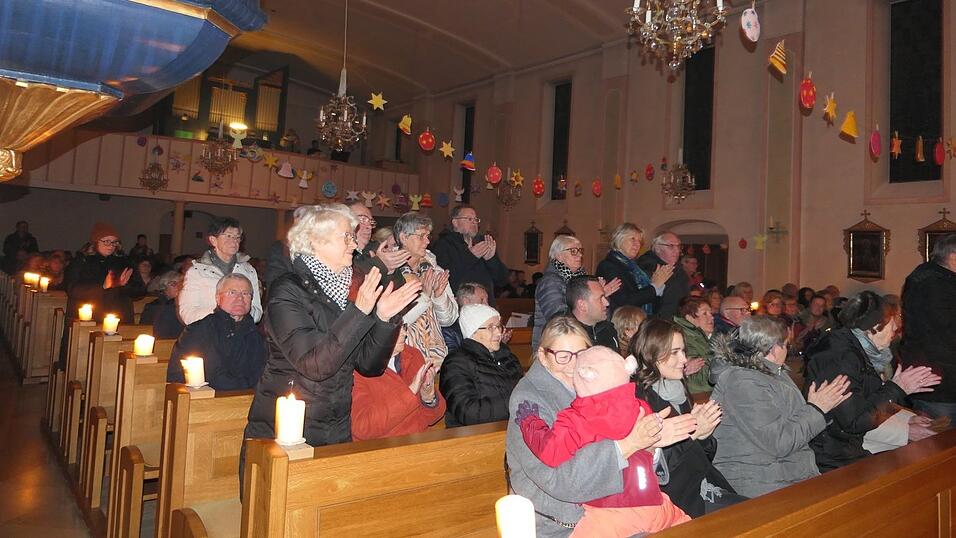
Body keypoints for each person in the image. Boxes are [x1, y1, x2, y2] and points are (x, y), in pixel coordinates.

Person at [242, 203, 421, 452]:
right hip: (286, 427)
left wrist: (383, 318)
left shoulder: (345, 289)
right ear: (316, 241)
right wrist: (360, 311)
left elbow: (368, 366)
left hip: (336, 423)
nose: (354, 243)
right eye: (346, 236)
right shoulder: (287, 290)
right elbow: (315, 365)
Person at [506, 315, 677, 535]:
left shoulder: (599, 384)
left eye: (580, 354)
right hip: (563, 523)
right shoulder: (528, 402)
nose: (574, 365)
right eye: (562, 356)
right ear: (543, 356)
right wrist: (628, 445)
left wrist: (651, 445)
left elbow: (634, 446)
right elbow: (559, 481)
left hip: (618, 507)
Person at [709, 316, 851, 497]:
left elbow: (789, 422)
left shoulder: (770, 372)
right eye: (786, 345)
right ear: (775, 348)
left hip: (783, 473)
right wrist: (817, 409)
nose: (787, 350)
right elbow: (779, 442)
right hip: (759, 481)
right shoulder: (742, 381)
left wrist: (820, 407)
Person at [805, 291, 941, 472]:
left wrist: (907, 416)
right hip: (832, 458)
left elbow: (871, 400)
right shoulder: (840, 359)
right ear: (875, 327)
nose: (896, 330)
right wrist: (898, 388)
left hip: (848, 448)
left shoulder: (858, 351)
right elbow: (854, 421)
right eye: (893, 323)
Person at [629, 318, 746, 517]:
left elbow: (701, 457)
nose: (684, 359)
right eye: (674, 352)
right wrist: (693, 434)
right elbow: (656, 472)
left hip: (702, 486)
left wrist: (703, 436)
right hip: (675, 502)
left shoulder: (677, 390)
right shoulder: (639, 401)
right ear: (652, 354)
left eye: (683, 351)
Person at [58, 222, 145, 368]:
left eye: (114, 242)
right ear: (95, 242)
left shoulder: (124, 262)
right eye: (106, 241)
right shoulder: (81, 261)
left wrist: (124, 286)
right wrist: (103, 286)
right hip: (89, 319)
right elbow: (73, 289)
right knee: (84, 362)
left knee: (112, 364)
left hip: (119, 317)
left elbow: (140, 291)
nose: (111, 245)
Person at [167, 274, 266, 390]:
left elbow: (261, 372)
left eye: (245, 293)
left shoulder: (255, 334)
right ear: (218, 298)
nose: (240, 298)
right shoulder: (199, 331)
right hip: (206, 400)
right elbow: (211, 375)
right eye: (232, 292)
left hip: (247, 398)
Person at [350, 325, 446, 440]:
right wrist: (410, 391)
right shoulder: (357, 368)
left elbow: (433, 418)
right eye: (396, 329)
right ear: (376, 332)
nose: (404, 333)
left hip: (421, 443)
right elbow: (362, 428)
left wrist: (429, 398)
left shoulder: (413, 355)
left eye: (404, 327)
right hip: (384, 451)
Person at [900, 233, 956, 423]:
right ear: (953, 256)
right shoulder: (933, 286)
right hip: (940, 382)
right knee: (940, 442)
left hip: (939, 377)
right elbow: (945, 331)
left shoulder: (934, 279)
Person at [439, 304, 522, 427]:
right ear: (473, 332)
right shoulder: (456, 363)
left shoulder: (508, 358)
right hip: (476, 439)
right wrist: (518, 402)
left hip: (511, 431)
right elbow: (468, 412)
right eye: (490, 327)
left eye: (499, 326)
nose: (499, 333)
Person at [393, 212, 459, 367]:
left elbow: (449, 319)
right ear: (403, 238)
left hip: (435, 354)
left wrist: (438, 297)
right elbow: (394, 321)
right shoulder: (391, 270)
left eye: (428, 235)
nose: (427, 241)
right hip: (402, 353)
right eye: (421, 236)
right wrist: (425, 296)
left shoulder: (435, 270)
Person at [178, 217, 262, 325]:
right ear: (213, 240)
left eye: (237, 237)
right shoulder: (197, 272)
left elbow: (257, 310)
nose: (234, 241)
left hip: (240, 332)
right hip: (209, 333)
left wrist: (241, 316)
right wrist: (221, 315)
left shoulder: (248, 270)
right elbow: (187, 313)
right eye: (228, 236)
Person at [430, 204, 509, 305]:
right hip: (460, 307)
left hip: (486, 306)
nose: (474, 222)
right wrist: (471, 256)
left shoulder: (482, 243)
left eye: (476, 219)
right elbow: (444, 277)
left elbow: (502, 280)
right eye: (469, 219)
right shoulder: (444, 244)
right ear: (455, 222)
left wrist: (491, 259)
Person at [596, 223, 671, 316]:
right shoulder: (609, 266)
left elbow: (651, 302)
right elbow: (624, 301)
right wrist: (654, 287)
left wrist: (657, 287)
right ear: (619, 239)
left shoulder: (635, 267)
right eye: (633, 239)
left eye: (639, 241)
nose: (637, 244)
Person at [532, 235, 587, 352]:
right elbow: (558, 317)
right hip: (552, 347)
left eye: (580, 251)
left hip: (570, 342)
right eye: (573, 251)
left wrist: (597, 297)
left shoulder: (579, 279)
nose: (580, 255)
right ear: (559, 256)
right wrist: (590, 304)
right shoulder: (550, 282)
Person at [348, 202, 407, 289]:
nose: (369, 227)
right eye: (362, 220)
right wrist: (380, 264)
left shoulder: (376, 248)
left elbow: (400, 291)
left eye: (371, 222)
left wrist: (390, 271)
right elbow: (353, 286)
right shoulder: (340, 252)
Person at [637, 231, 688, 319]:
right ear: (657, 248)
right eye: (671, 246)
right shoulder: (647, 269)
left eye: (679, 246)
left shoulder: (679, 270)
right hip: (658, 322)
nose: (677, 250)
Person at [673, 297, 713, 396]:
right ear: (690, 318)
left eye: (711, 313)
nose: (711, 317)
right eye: (705, 314)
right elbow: (699, 377)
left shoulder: (706, 336)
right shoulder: (684, 338)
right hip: (697, 395)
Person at [566, 275, 619, 350]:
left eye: (604, 296)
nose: (607, 303)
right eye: (600, 298)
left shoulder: (608, 330)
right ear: (582, 305)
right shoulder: (566, 338)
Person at [442, 282, 489, 353]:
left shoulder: (487, 326)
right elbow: (455, 360)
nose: (487, 305)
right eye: (482, 300)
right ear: (466, 301)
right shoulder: (449, 331)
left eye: (487, 300)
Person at [140, 271, 186, 339]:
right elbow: (144, 330)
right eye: (173, 284)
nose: (178, 287)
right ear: (164, 288)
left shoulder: (186, 306)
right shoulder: (153, 307)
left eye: (181, 284)